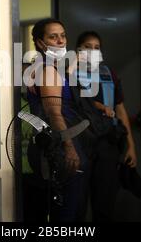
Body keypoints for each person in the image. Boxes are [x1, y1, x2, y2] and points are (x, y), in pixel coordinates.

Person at [26, 18, 90, 222]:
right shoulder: (47, 70)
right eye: (53, 37)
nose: (60, 41)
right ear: (39, 43)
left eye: (62, 35)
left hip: (53, 146)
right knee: (66, 214)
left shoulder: (48, 69)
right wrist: (69, 148)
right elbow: (54, 114)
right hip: (58, 148)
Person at [74, 31, 138, 221]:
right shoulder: (67, 73)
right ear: (78, 49)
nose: (92, 51)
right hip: (80, 143)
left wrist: (131, 146)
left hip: (107, 143)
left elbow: (120, 109)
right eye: (87, 47)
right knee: (76, 203)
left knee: (104, 204)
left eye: (97, 48)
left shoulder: (108, 74)